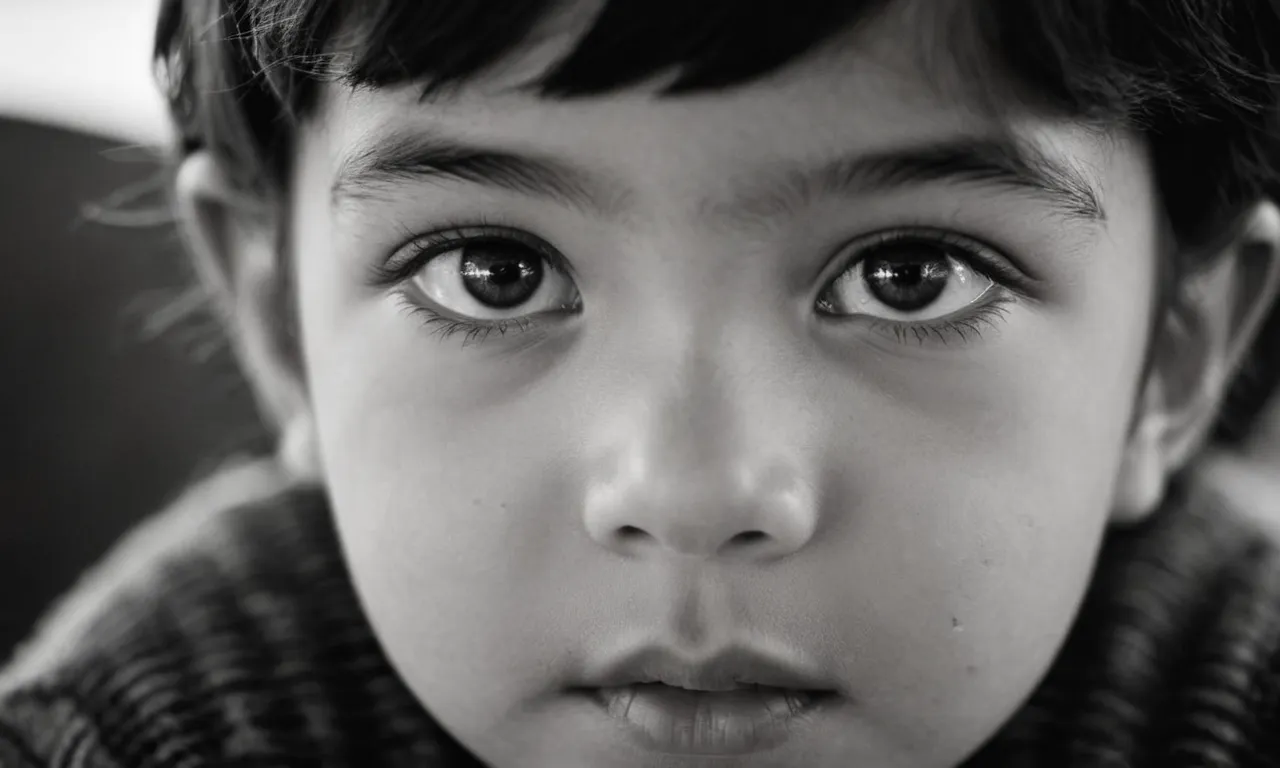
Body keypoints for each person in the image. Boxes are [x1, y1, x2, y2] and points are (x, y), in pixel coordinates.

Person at [3, 0, 1280, 765]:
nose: (687, 491)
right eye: (493, 271)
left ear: (1171, 353)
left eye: (909, 276)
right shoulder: (136, 733)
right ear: (280, 319)